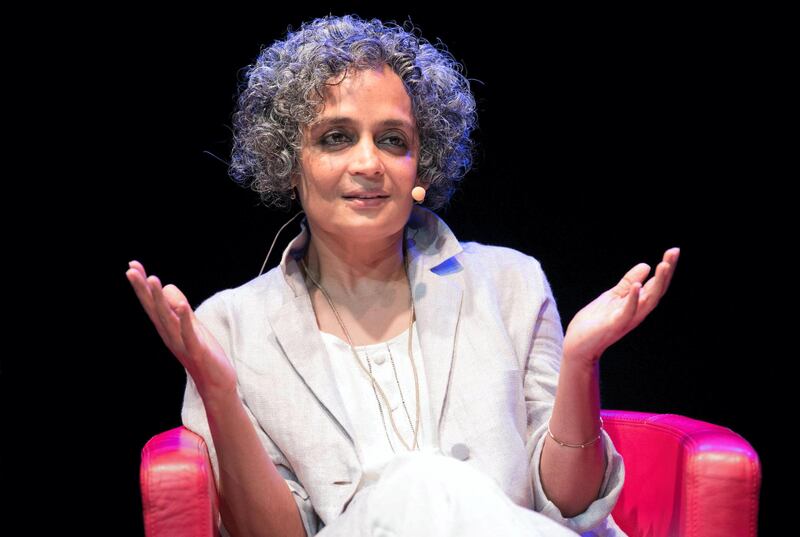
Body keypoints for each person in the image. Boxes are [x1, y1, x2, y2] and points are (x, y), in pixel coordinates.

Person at [125, 13, 679, 537]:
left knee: (432, 482)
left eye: (393, 140)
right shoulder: (228, 328)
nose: (368, 163)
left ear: (422, 164)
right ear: (290, 163)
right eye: (336, 137)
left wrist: (581, 362)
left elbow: (571, 505)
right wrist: (216, 388)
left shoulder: (511, 283)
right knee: (420, 480)